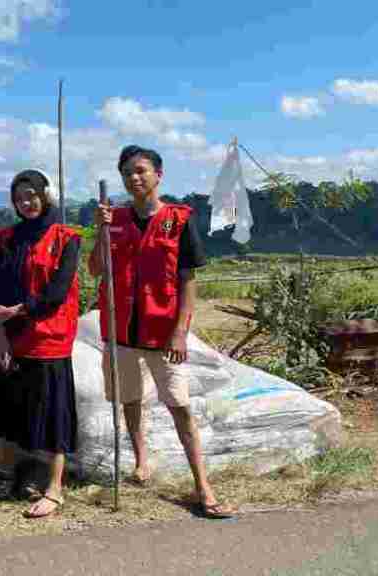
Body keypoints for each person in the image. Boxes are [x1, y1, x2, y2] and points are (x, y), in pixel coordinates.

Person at [88, 145, 234, 519]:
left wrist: (180, 333)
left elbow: (188, 281)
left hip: (162, 330)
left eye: (140, 171)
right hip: (121, 330)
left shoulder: (179, 220)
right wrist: (99, 231)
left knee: (179, 405)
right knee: (131, 400)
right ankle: (141, 462)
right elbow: (95, 270)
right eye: (127, 174)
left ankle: (202, 484)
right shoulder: (114, 219)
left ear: (158, 175)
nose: (133, 178)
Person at [0, 169, 80, 519]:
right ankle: (18, 475)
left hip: (49, 339)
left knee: (53, 416)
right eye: (19, 197)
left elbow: (57, 292)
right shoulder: (5, 239)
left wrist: (18, 311)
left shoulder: (66, 237)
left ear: (46, 195)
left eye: (32, 195)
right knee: (14, 411)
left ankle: (55, 489)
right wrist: (3, 333)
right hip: (14, 337)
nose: (26, 202)